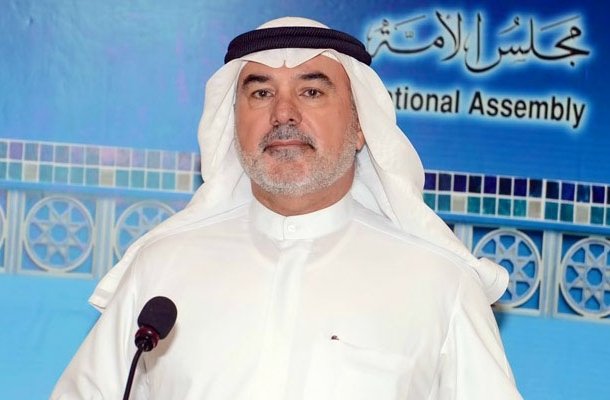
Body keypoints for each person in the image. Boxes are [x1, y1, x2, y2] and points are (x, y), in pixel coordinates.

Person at [51, 16, 522, 400]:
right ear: (234, 124)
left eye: (312, 91)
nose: (283, 113)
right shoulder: (161, 268)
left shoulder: (440, 283)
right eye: (261, 93)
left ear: (361, 126)